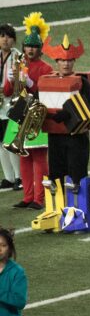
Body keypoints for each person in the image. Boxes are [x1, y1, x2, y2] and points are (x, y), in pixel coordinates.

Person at [4, 13, 53, 210]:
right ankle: (27, 196)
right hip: (19, 113)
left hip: (36, 115)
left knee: (39, 157)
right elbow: (8, 92)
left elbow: (46, 93)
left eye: (34, 46)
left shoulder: (46, 68)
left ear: (40, 49)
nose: (30, 49)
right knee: (23, 156)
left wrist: (31, 83)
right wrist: (11, 79)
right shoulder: (18, 63)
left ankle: (39, 199)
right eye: (28, 46)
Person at [40, 33, 90, 190]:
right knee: (56, 174)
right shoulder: (48, 80)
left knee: (77, 175)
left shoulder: (82, 82)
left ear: (74, 61)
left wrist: (68, 113)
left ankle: (80, 210)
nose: (66, 64)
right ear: (56, 61)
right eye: (62, 60)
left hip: (76, 135)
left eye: (69, 60)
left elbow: (88, 107)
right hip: (55, 135)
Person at [0, 24, 22, 191]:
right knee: (1, 143)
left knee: (11, 142)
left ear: (14, 40)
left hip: (12, 104)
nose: (4, 39)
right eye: (2, 36)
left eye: (8, 36)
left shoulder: (18, 57)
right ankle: (7, 177)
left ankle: (18, 176)